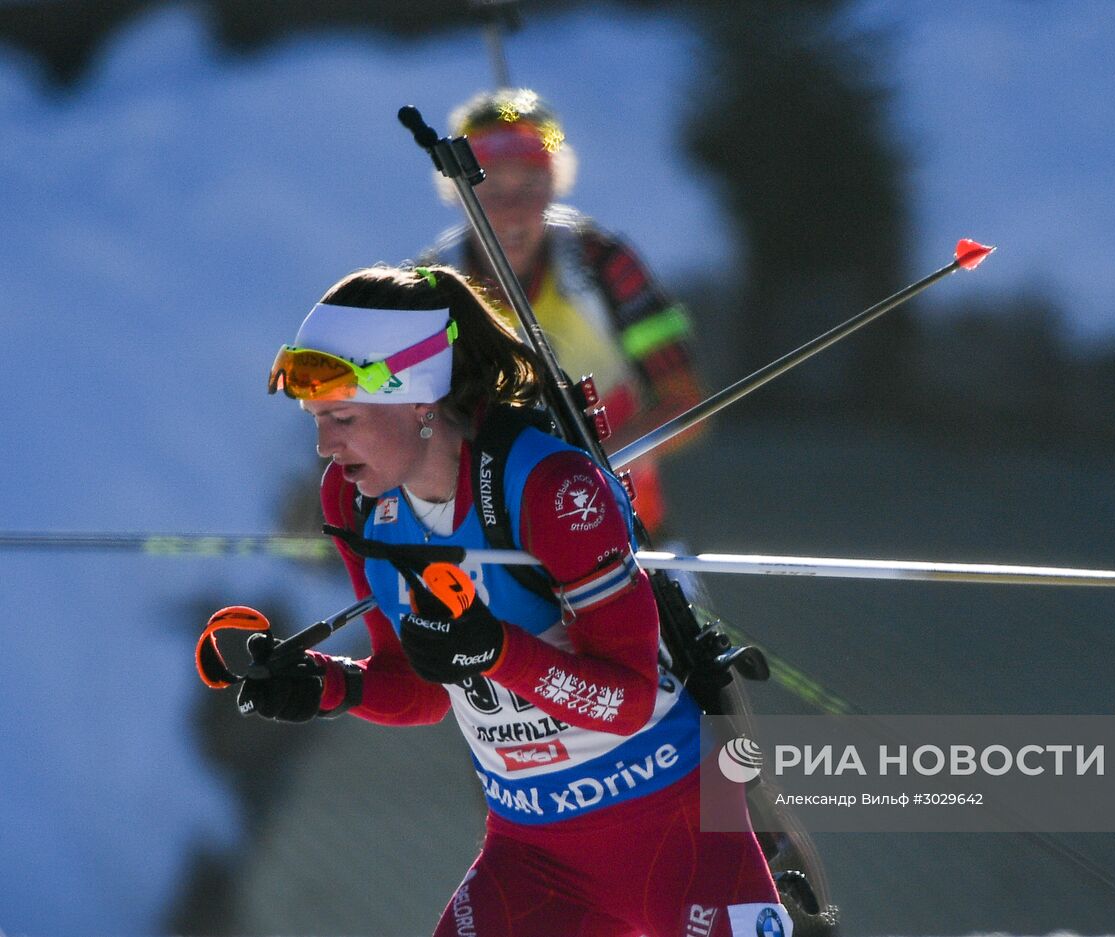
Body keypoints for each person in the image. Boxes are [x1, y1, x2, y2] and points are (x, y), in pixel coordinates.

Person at [240, 263, 793, 936]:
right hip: (533, 854)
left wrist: (498, 650)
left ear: (419, 399)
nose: (326, 445)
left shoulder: (551, 487)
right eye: (317, 421)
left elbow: (630, 699)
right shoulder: (353, 500)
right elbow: (423, 686)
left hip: (674, 829)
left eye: (343, 417)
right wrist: (325, 686)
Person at [420, 87, 705, 536]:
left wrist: (593, 459)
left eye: (531, 185)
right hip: (493, 542)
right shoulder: (428, 288)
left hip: (623, 528)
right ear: (456, 193)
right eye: (488, 188)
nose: (512, 213)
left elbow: (684, 402)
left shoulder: (606, 264)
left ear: (556, 184)